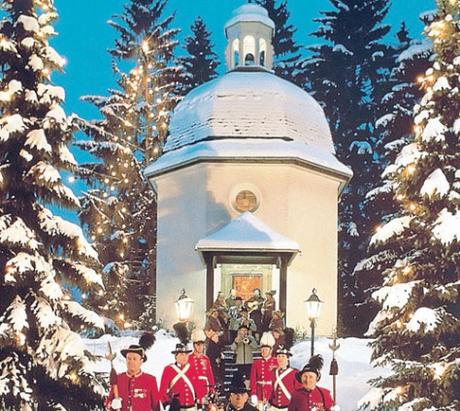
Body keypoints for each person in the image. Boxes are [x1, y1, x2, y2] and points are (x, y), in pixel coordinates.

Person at [106, 344, 160, 411]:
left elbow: (157, 407)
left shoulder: (150, 380)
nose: (131, 362)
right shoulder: (118, 379)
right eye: (129, 358)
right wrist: (112, 404)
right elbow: (107, 405)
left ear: (141, 361)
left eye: (134, 359)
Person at [159, 343, 198, 411]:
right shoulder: (168, 369)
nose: (185, 357)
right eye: (182, 354)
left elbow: (198, 388)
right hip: (176, 408)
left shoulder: (193, 368)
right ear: (176, 356)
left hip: (192, 407)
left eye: (186, 354)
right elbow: (162, 392)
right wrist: (167, 403)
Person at [249, 332, 278, 410]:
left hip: (272, 392)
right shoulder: (256, 363)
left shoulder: (276, 362)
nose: (263, 351)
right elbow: (253, 380)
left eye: (266, 349)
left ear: (270, 350)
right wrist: (253, 393)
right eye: (262, 349)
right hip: (259, 392)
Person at [189, 329, 215, 408]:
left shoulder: (205, 358)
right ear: (194, 345)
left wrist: (212, 388)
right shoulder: (189, 358)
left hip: (204, 389)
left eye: (202, 345)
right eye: (198, 345)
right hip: (192, 388)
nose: (200, 347)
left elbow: (209, 374)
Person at [269, 346, 301, 411]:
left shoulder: (295, 373)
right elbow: (272, 389)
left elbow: (299, 392)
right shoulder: (274, 371)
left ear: (288, 358)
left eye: (283, 356)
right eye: (279, 356)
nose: (280, 358)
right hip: (274, 406)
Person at [205, 308, 225, 384]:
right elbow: (207, 331)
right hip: (212, 342)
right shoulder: (210, 321)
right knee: (212, 360)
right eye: (214, 313)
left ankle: (218, 378)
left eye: (216, 312)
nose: (215, 314)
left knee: (218, 360)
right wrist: (214, 335)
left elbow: (221, 330)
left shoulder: (218, 320)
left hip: (218, 342)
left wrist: (220, 333)